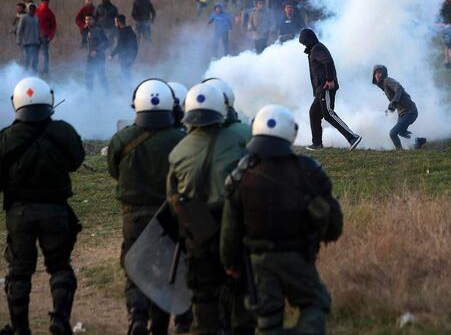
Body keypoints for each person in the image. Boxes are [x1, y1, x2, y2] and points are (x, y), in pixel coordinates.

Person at [220, 105, 343, 335]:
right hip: (297, 255)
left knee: (267, 320)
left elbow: (230, 232)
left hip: (258, 261)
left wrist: (231, 265)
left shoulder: (241, 175)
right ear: (291, 133)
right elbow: (334, 225)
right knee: (316, 303)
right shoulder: (308, 171)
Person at [166, 83, 254, 334]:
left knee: (204, 293)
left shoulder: (179, 150)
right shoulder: (244, 135)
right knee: (239, 286)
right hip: (234, 224)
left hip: (196, 227)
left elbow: (172, 196)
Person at [0, 77, 85, 335]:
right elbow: (76, 161)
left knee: (19, 272)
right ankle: (59, 318)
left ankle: (20, 329)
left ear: (16, 103)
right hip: (55, 210)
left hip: (19, 213)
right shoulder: (63, 131)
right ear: (48, 100)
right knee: (59, 266)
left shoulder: (6, 138)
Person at [107, 79, 185, 335]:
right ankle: (159, 326)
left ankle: (137, 316)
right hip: (169, 215)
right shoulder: (181, 139)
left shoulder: (121, 138)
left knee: (134, 266)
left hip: (134, 214)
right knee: (164, 269)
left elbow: (114, 171)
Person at [298, 28, 362, 151]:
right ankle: (317, 143)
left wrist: (329, 80)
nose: (303, 44)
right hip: (320, 89)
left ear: (307, 40)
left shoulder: (317, 48)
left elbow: (328, 62)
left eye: (303, 42)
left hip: (326, 86)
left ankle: (353, 137)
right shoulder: (313, 50)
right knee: (314, 113)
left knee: (328, 114)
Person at [371, 65, 426, 150]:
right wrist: (389, 111)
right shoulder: (384, 87)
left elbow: (399, 88)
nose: (377, 75)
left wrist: (393, 102)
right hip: (403, 113)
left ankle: (399, 151)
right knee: (401, 132)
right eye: (375, 73)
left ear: (384, 73)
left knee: (393, 133)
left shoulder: (387, 81)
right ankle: (418, 141)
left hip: (410, 111)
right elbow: (395, 102)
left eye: (379, 72)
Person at [109, 15, 138, 86]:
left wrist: (111, 55)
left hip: (126, 56)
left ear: (119, 22)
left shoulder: (123, 32)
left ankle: (128, 89)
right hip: (130, 55)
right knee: (126, 72)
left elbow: (120, 46)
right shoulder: (129, 31)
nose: (115, 23)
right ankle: (128, 87)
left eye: (116, 22)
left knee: (125, 73)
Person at [84, 14, 109, 92]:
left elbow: (106, 42)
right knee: (89, 76)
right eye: (86, 20)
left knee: (101, 77)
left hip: (99, 58)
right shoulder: (88, 30)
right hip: (90, 58)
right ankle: (89, 96)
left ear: (93, 20)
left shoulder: (98, 30)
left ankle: (108, 95)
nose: (87, 21)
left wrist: (96, 51)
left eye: (89, 19)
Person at [35, 0, 56, 75]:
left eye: (47, 3)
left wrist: (50, 36)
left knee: (45, 54)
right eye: (44, 3)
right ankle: (34, 69)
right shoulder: (36, 11)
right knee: (35, 53)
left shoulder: (50, 13)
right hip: (35, 37)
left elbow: (53, 26)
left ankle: (45, 70)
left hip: (45, 37)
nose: (46, 4)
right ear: (41, 2)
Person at [17, 3, 41, 72]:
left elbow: (39, 30)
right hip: (27, 42)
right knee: (27, 59)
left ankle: (34, 73)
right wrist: (19, 40)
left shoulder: (37, 18)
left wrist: (40, 40)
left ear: (35, 10)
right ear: (28, 9)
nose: (32, 10)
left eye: (33, 9)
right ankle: (25, 73)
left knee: (35, 59)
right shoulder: (24, 18)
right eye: (30, 8)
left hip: (36, 42)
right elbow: (19, 30)